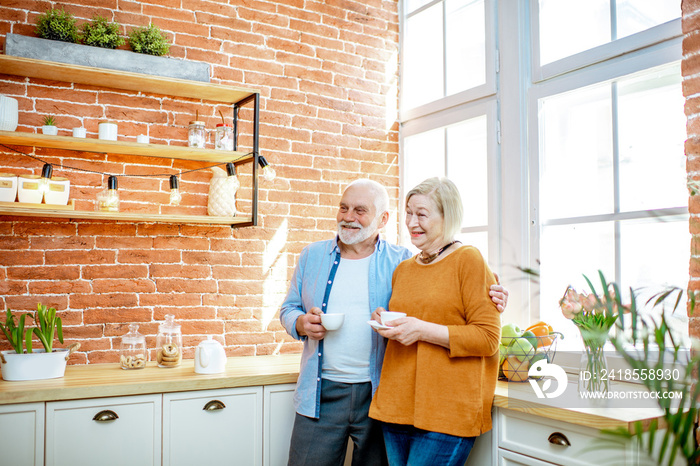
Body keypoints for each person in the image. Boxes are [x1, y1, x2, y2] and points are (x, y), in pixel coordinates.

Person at [279, 178, 507, 466]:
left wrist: (493, 291)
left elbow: (467, 314)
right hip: (335, 393)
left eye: (360, 210)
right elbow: (289, 307)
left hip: (381, 391)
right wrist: (299, 323)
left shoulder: (403, 260)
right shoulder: (315, 256)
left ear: (382, 219)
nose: (349, 217)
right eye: (344, 208)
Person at [368, 177, 501, 466]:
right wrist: (383, 319)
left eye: (422, 214)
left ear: (447, 217)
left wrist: (422, 330)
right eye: (409, 212)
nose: (412, 222)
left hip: (447, 412)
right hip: (396, 405)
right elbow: (411, 317)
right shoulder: (403, 269)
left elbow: (488, 338)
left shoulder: (469, 260)